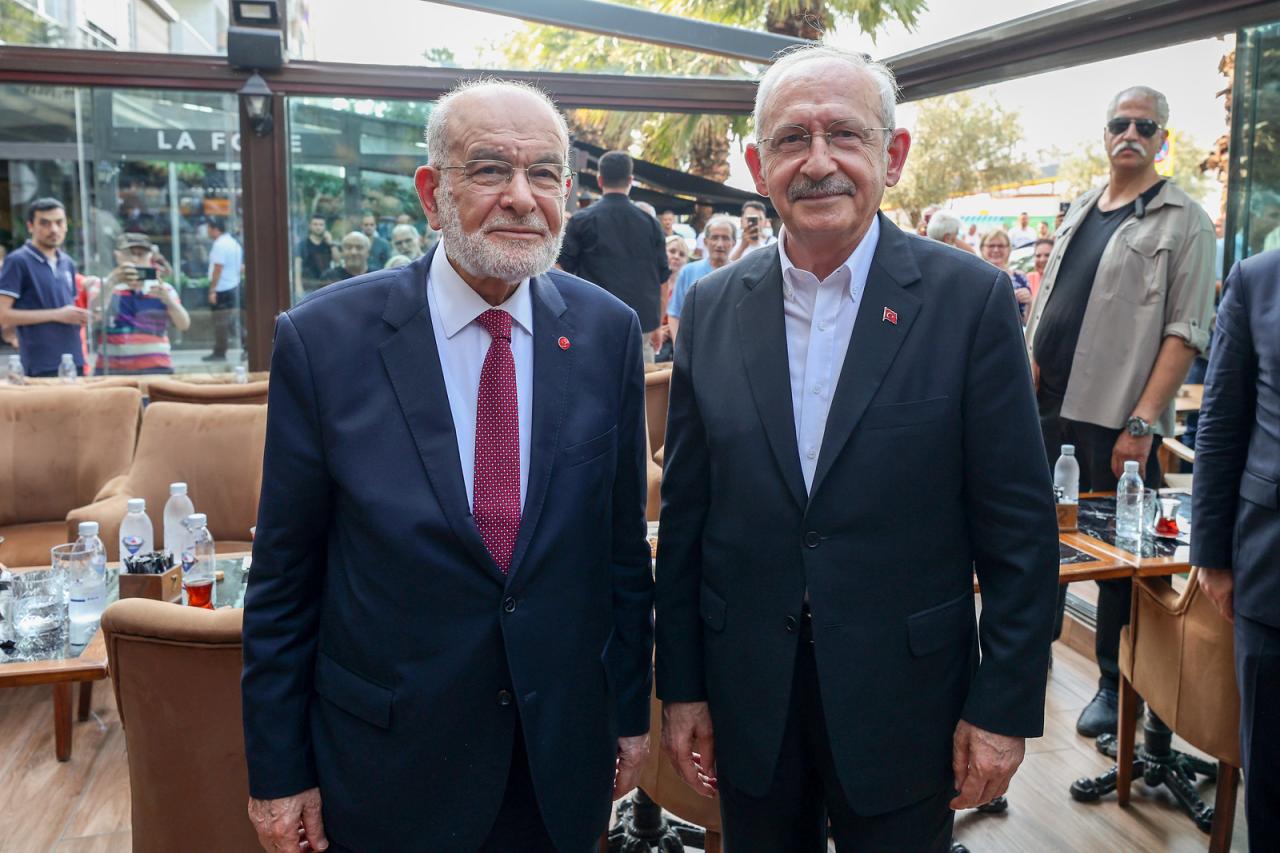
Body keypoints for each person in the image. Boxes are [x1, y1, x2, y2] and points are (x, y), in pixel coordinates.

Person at [655, 45, 1058, 852]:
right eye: (791, 139)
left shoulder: (969, 301)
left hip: (908, 699)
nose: (818, 162)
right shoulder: (713, 308)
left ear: (893, 155)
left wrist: (1003, 706)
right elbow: (689, 514)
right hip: (749, 695)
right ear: (757, 165)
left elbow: (1019, 527)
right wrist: (684, 686)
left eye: (844, 134)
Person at [242, 78, 653, 853]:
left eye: (544, 174)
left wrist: (629, 713)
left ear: (568, 194)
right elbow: (283, 581)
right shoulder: (324, 342)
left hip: (556, 760)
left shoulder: (608, 333)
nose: (522, 197)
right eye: (491, 169)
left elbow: (622, 552)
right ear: (432, 193)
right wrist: (278, 769)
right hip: (389, 770)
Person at [1025, 85, 1215, 738]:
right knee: (1038, 537)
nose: (1130, 133)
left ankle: (1115, 682)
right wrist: (1029, 359)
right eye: (1120, 123)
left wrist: (1142, 423)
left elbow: (1186, 332)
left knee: (1118, 558)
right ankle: (1030, 656)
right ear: (1105, 134)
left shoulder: (1185, 220)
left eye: (1145, 125)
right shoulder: (1082, 206)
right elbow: (1049, 299)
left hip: (1116, 419)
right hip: (1046, 407)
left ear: (1163, 139)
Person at [1191, 249, 1280, 851]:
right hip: (1271, 577)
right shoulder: (1259, 280)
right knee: (1271, 777)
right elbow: (1221, 424)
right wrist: (1213, 556)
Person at [557, 150, 670, 362]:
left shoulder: (582, 220)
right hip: (641, 326)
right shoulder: (651, 224)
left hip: (592, 324)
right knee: (641, 382)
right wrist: (656, 324)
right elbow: (663, 279)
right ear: (630, 180)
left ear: (600, 180)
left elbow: (560, 269)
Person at [0, 198, 89, 377]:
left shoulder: (68, 262)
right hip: (40, 364)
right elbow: (3, 314)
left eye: (59, 222)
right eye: (45, 223)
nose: (54, 229)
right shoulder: (17, 261)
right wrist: (57, 314)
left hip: (74, 361)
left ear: (66, 226)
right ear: (30, 226)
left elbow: (69, 310)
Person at [98, 232, 190, 374]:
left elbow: (183, 324)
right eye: (129, 254)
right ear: (117, 256)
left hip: (157, 369)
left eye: (141, 254)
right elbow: (93, 317)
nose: (135, 259)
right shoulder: (105, 286)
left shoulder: (163, 289)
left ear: (150, 257)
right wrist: (111, 283)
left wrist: (169, 302)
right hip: (113, 370)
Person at [665, 214, 735, 345]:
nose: (720, 244)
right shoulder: (688, 272)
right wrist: (678, 348)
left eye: (725, 238)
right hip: (695, 345)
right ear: (705, 242)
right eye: (715, 237)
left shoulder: (740, 274)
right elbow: (674, 315)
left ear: (733, 243)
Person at [205, 217, 243, 362]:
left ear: (215, 229)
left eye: (209, 228)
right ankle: (246, 347)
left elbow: (218, 268)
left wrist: (212, 290)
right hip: (233, 286)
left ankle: (220, 352)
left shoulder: (220, 245)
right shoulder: (233, 243)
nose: (207, 231)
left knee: (220, 322)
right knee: (231, 322)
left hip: (222, 288)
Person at [980, 228, 1032, 319]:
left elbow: (1028, 320)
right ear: (982, 248)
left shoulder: (1020, 277)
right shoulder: (975, 277)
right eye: (991, 246)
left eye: (1001, 246)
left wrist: (1029, 302)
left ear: (1009, 249)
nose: (996, 250)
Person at [653, 234, 688, 361]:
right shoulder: (651, 282)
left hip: (677, 341)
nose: (676, 256)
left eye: (682, 254)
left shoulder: (687, 285)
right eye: (672, 251)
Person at [295, 214, 337, 294]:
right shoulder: (303, 244)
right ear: (310, 226)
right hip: (309, 287)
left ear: (325, 227)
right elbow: (297, 266)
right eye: (315, 224)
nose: (318, 227)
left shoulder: (328, 244)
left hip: (326, 286)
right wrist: (298, 287)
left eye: (321, 225)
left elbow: (337, 260)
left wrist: (331, 243)